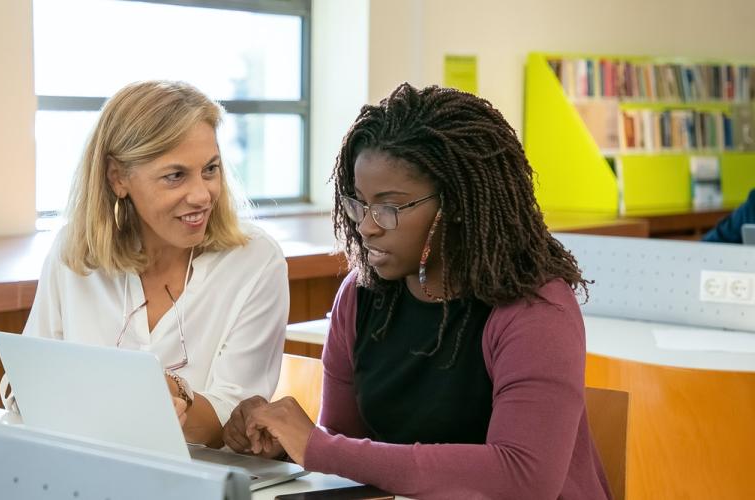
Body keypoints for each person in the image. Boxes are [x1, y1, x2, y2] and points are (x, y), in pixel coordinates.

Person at [222, 83, 612, 499]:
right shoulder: (360, 295)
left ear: (457, 204)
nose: (367, 226)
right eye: (358, 203)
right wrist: (287, 445)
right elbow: (345, 449)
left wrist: (319, 448)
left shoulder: (534, 308)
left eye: (389, 207)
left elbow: (522, 477)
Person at [10, 80, 289, 448]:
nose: (202, 194)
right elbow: (25, 386)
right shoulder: (74, 253)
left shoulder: (255, 261)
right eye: (175, 176)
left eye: (210, 169)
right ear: (118, 178)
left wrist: (174, 393)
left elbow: (233, 425)